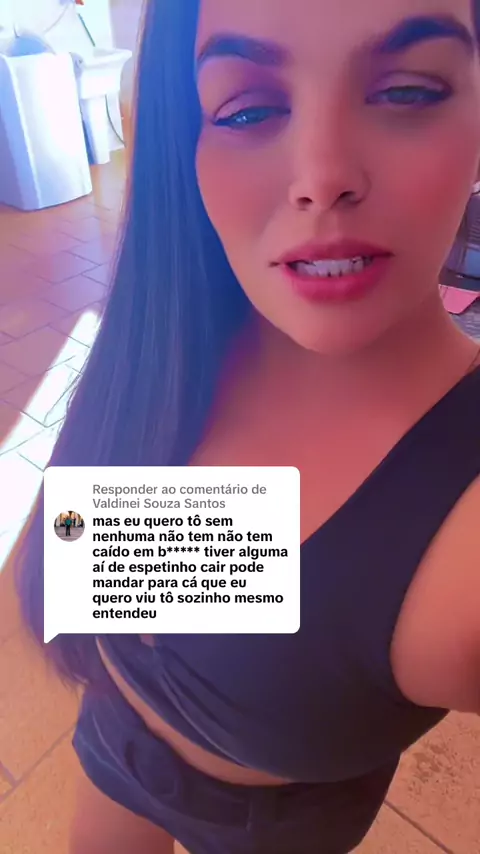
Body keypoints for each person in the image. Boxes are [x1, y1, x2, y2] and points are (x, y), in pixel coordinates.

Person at [17, 1, 480, 852]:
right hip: (114, 733)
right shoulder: (175, 325)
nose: (323, 174)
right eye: (247, 109)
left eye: (408, 93)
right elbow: (112, 561)